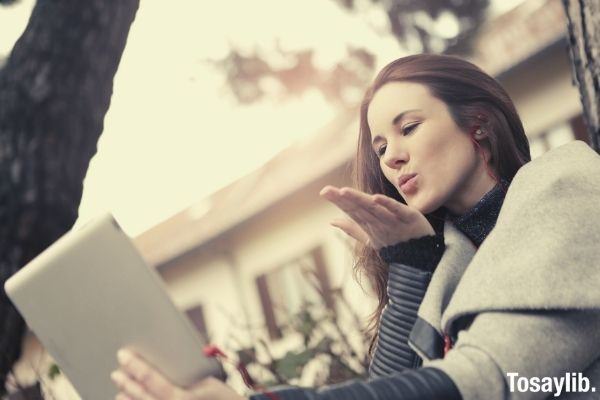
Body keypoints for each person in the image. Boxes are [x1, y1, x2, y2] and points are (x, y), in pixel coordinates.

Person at [110, 54, 600, 400]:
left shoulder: (563, 184)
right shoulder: (449, 257)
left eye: (408, 128)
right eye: (381, 147)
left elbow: (485, 377)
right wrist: (410, 263)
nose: (394, 156)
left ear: (477, 122)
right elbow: (390, 383)